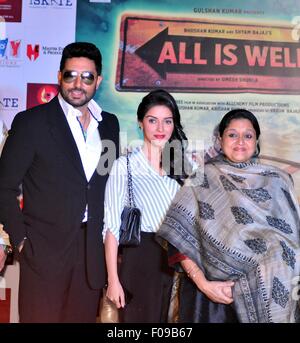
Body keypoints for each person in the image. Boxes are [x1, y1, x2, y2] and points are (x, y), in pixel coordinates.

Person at [0, 42, 120, 322]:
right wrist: (20, 241)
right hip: (42, 253)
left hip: (91, 255)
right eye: (71, 75)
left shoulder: (110, 125)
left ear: (98, 81)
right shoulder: (32, 122)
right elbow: (3, 188)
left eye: (87, 77)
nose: (78, 84)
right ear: (59, 76)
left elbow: (105, 183)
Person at [157, 109, 300, 323]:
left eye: (248, 135)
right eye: (232, 134)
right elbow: (179, 238)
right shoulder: (203, 179)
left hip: (271, 292)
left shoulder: (278, 180)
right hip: (212, 297)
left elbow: (293, 241)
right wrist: (205, 285)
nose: (240, 141)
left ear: (256, 141)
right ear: (220, 139)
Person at [103, 89, 192, 323]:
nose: (160, 128)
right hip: (141, 257)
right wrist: (113, 279)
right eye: (153, 120)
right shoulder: (125, 166)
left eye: (167, 121)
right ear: (140, 123)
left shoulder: (183, 167)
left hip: (180, 258)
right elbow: (111, 227)